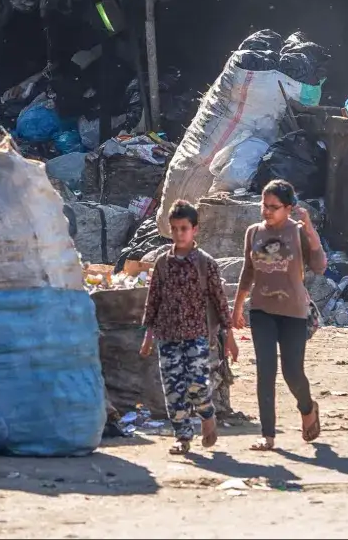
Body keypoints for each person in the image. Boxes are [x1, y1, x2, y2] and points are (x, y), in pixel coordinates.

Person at [232, 178, 327, 451]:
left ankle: (308, 408)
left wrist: (309, 229)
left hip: (293, 312)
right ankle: (268, 434)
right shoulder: (253, 232)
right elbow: (247, 271)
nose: (267, 211)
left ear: (288, 208)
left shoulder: (297, 233)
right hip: (261, 310)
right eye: (264, 205)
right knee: (265, 370)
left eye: (274, 207)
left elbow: (320, 266)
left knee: (292, 372)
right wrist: (237, 306)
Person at [140, 199, 239, 456]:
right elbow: (154, 299)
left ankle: (207, 414)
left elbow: (219, 300)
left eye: (184, 228)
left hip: (197, 335)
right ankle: (182, 436)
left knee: (196, 385)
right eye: (174, 228)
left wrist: (228, 336)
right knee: (173, 389)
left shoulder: (206, 264)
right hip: (167, 335)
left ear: (195, 229)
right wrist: (148, 334)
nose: (179, 233)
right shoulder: (163, 263)